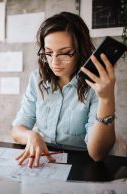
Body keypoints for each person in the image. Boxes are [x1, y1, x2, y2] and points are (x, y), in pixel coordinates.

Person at [12, 12, 116, 168]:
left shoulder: (96, 85)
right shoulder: (37, 78)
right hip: (43, 163)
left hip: (80, 165)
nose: (54, 62)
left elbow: (97, 154)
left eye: (65, 53)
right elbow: (17, 130)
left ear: (80, 50)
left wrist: (107, 99)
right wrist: (31, 135)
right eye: (48, 52)